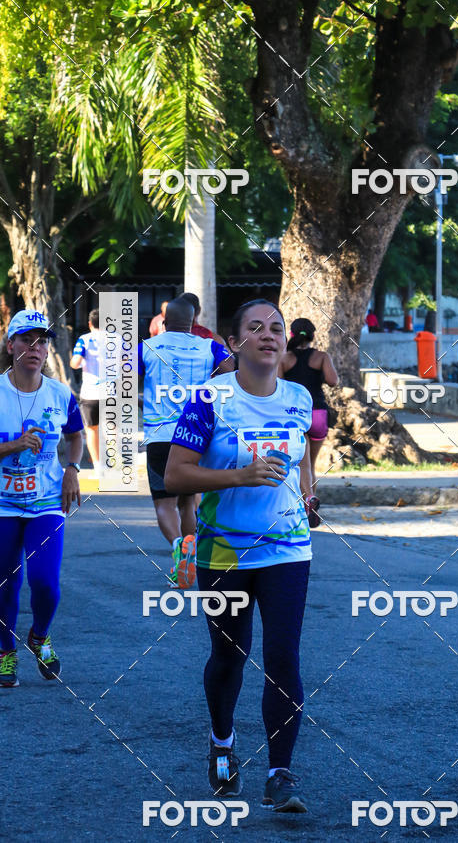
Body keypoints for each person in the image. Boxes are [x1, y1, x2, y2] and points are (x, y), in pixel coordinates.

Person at [165, 299, 314, 813]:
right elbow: (175, 475)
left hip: (288, 547)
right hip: (224, 550)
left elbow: (304, 454)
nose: (269, 335)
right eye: (256, 327)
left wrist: (308, 496)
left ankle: (281, 773)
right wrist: (239, 477)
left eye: (276, 328)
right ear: (235, 342)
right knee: (231, 655)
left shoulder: (298, 396)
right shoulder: (208, 397)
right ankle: (223, 744)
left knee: (283, 657)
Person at [0, 310, 83, 688]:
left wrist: (72, 470)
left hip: (45, 502)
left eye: (43, 341)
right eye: (27, 340)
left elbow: (76, 436)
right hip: (2, 504)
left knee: (46, 583)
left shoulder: (60, 393)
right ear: (10, 345)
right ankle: (5, 652)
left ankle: (38, 635)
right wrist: (13, 445)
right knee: (5, 583)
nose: (36, 348)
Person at [138, 296, 234, 587]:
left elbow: (122, 378)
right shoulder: (210, 347)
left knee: (164, 504)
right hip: (196, 435)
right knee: (188, 502)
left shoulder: (147, 347)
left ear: (164, 322)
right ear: (193, 323)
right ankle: (193, 552)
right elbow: (232, 373)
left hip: (160, 437)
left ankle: (180, 546)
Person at [279, 318, 338, 500]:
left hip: (294, 415)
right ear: (312, 336)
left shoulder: (285, 359)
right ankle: (311, 503)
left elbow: (278, 386)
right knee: (311, 466)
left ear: (291, 334)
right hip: (318, 413)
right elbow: (333, 381)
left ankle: (301, 502)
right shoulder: (322, 357)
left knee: (299, 466)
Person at [70, 308, 103, 477]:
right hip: (112, 392)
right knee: (113, 429)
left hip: (90, 392)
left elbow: (75, 363)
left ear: (90, 324)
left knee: (92, 430)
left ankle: (98, 468)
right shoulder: (117, 339)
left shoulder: (84, 339)